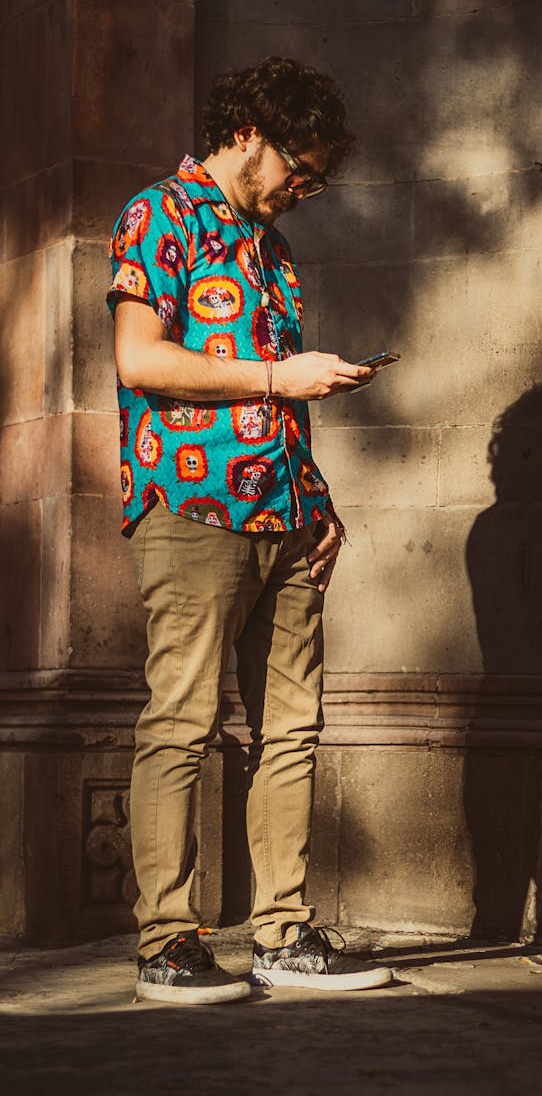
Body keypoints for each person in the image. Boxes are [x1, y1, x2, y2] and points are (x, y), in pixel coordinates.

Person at [108, 56, 392, 1004]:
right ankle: (167, 941)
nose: (303, 189)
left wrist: (321, 501)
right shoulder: (159, 214)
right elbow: (140, 359)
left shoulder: (271, 250)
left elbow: (282, 398)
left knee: (293, 729)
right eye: (297, 170)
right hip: (189, 506)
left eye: (314, 178)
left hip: (288, 515)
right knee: (183, 722)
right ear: (248, 135)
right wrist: (282, 378)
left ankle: (282, 932)